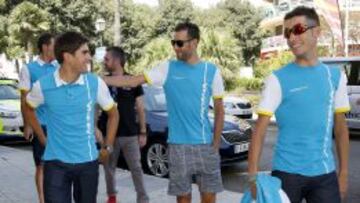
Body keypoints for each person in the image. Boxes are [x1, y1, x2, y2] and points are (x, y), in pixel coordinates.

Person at [102, 22, 225, 203]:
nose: (176, 48)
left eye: (180, 43)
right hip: (177, 146)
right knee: (183, 199)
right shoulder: (167, 68)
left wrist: (215, 145)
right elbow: (133, 81)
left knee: (209, 198)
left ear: (194, 43)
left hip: (205, 146)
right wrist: (99, 80)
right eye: (173, 42)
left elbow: (220, 111)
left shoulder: (212, 71)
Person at [248, 6, 350, 203]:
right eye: (287, 33)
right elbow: (259, 131)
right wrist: (252, 177)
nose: (291, 38)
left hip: (325, 174)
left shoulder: (335, 76)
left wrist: (344, 173)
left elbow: (341, 129)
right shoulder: (277, 79)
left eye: (298, 30)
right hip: (286, 174)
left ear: (317, 32)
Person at [24, 31, 119, 203]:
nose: (89, 57)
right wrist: (41, 136)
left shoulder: (95, 83)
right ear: (67, 57)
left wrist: (108, 147)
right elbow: (28, 107)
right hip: (55, 164)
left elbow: (113, 114)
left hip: (88, 163)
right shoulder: (43, 85)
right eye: (84, 52)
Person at [98, 46, 149, 203]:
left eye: (107, 59)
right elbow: (94, 106)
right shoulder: (101, 82)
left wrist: (142, 132)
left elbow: (140, 107)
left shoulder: (133, 81)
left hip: (130, 134)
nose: (104, 62)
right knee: (109, 168)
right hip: (108, 135)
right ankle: (112, 197)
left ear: (117, 60)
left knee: (136, 168)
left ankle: (142, 199)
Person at [19, 33, 58, 203]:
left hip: (59, 125)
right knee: (42, 165)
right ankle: (43, 200)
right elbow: (24, 98)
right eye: (54, 45)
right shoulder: (29, 69)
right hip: (39, 124)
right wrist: (27, 124)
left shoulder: (60, 67)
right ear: (45, 46)